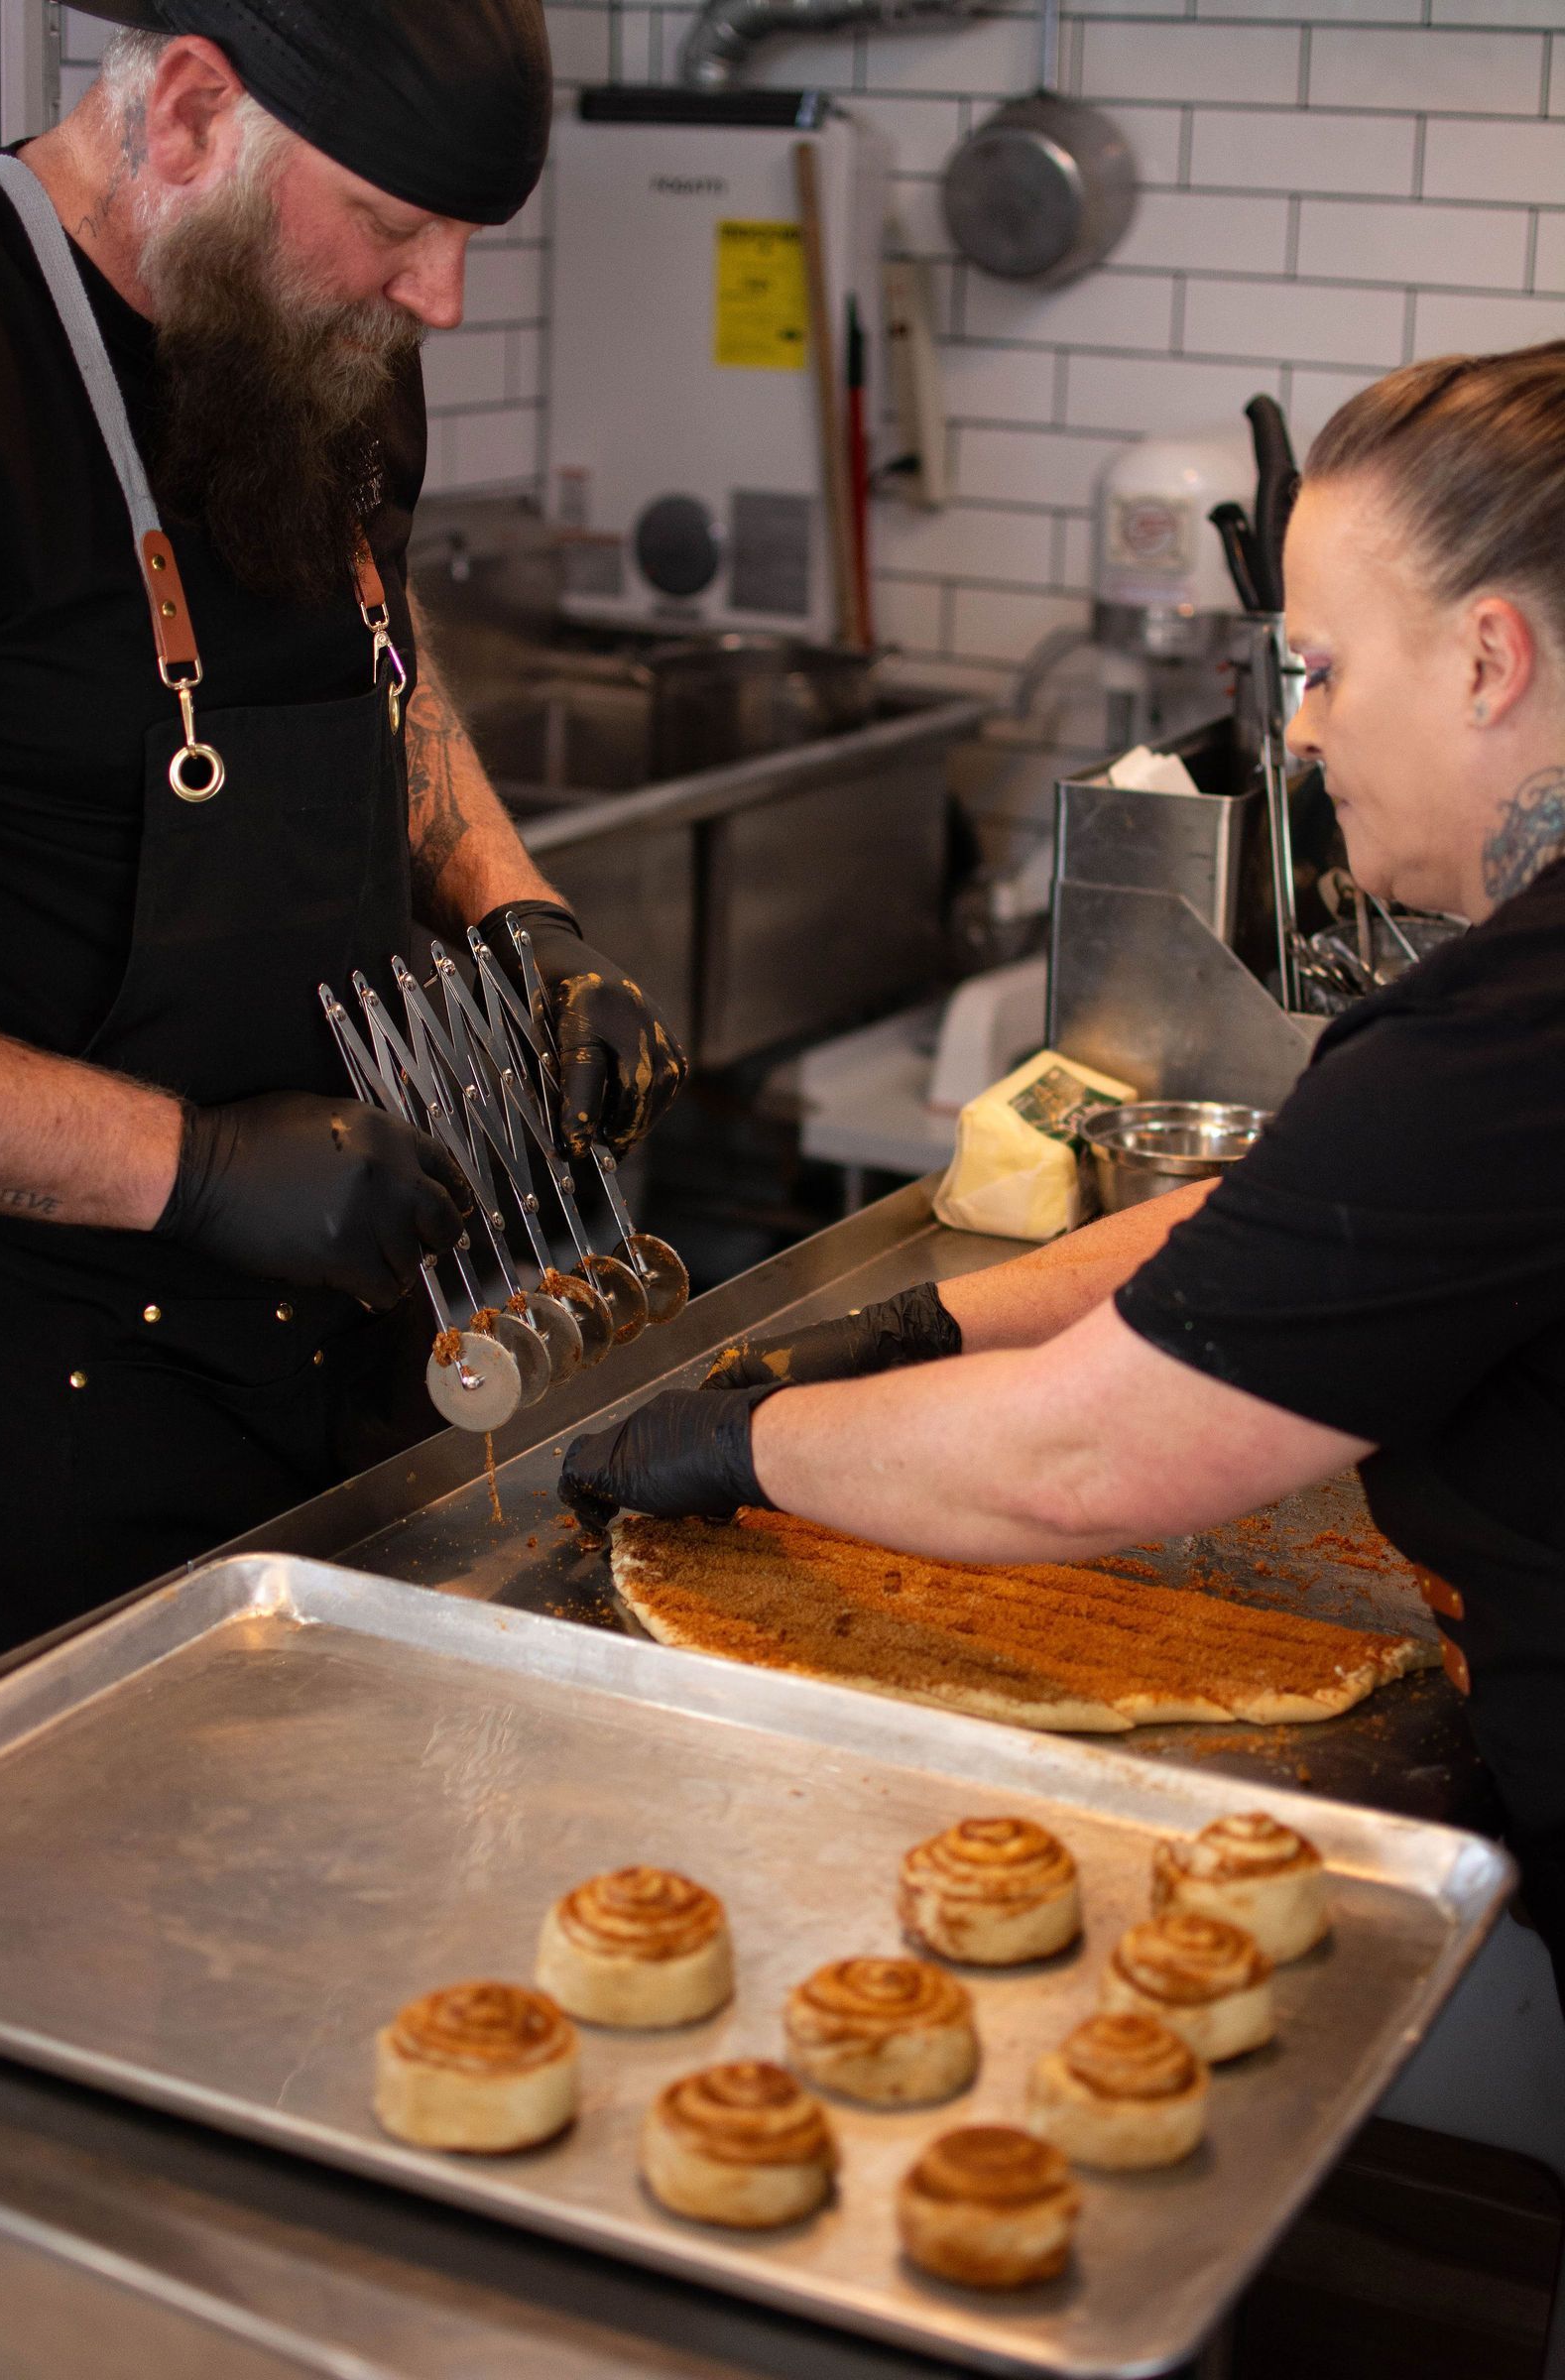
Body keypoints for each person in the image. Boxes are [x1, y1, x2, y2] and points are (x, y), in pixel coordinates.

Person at [563, 342, 1565, 1999]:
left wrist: (738, 1441)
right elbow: (1297, 1216)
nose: (1302, 735)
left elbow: (1080, 1461)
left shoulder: (1514, 1036)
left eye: (1318, 670)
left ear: (1486, 657)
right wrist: (925, 1332)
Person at [0, 1, 684, 1662]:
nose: (438, 297)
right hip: (28, 1420)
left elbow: (375, 656)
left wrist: (522, 913)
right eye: (392, 225)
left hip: (337, 1356)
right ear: (192, 112)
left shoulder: (307, 321)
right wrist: (196, 1169)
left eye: (459, 239)